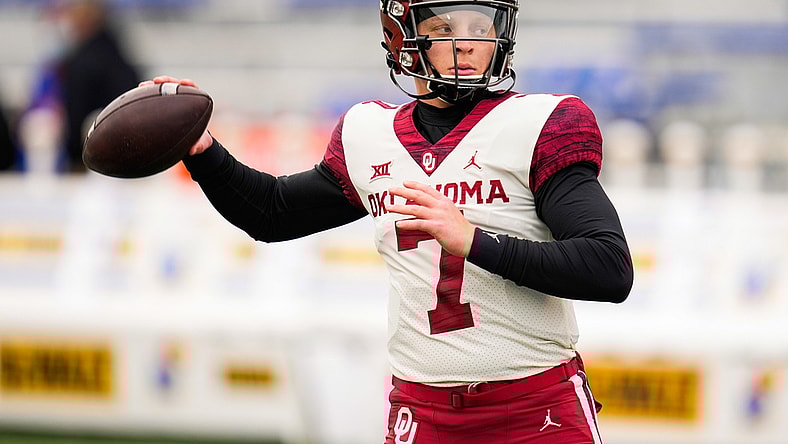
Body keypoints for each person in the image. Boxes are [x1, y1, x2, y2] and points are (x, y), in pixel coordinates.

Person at [143, 0, 633, 442]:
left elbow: (609, 267)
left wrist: (473, 241)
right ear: (403, 36)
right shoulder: (369, 134)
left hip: (534, 408)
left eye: (479, 27)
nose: (465, 43)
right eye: (444, 27)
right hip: (423, 410)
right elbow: (272, 213)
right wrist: (202, 150)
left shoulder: (541, 123)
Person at [53, 0, 140, 172]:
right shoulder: (120, 56)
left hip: (90, 159)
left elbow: (76, 114)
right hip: (127, 157)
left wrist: (74, 155)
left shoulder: (81, 63)